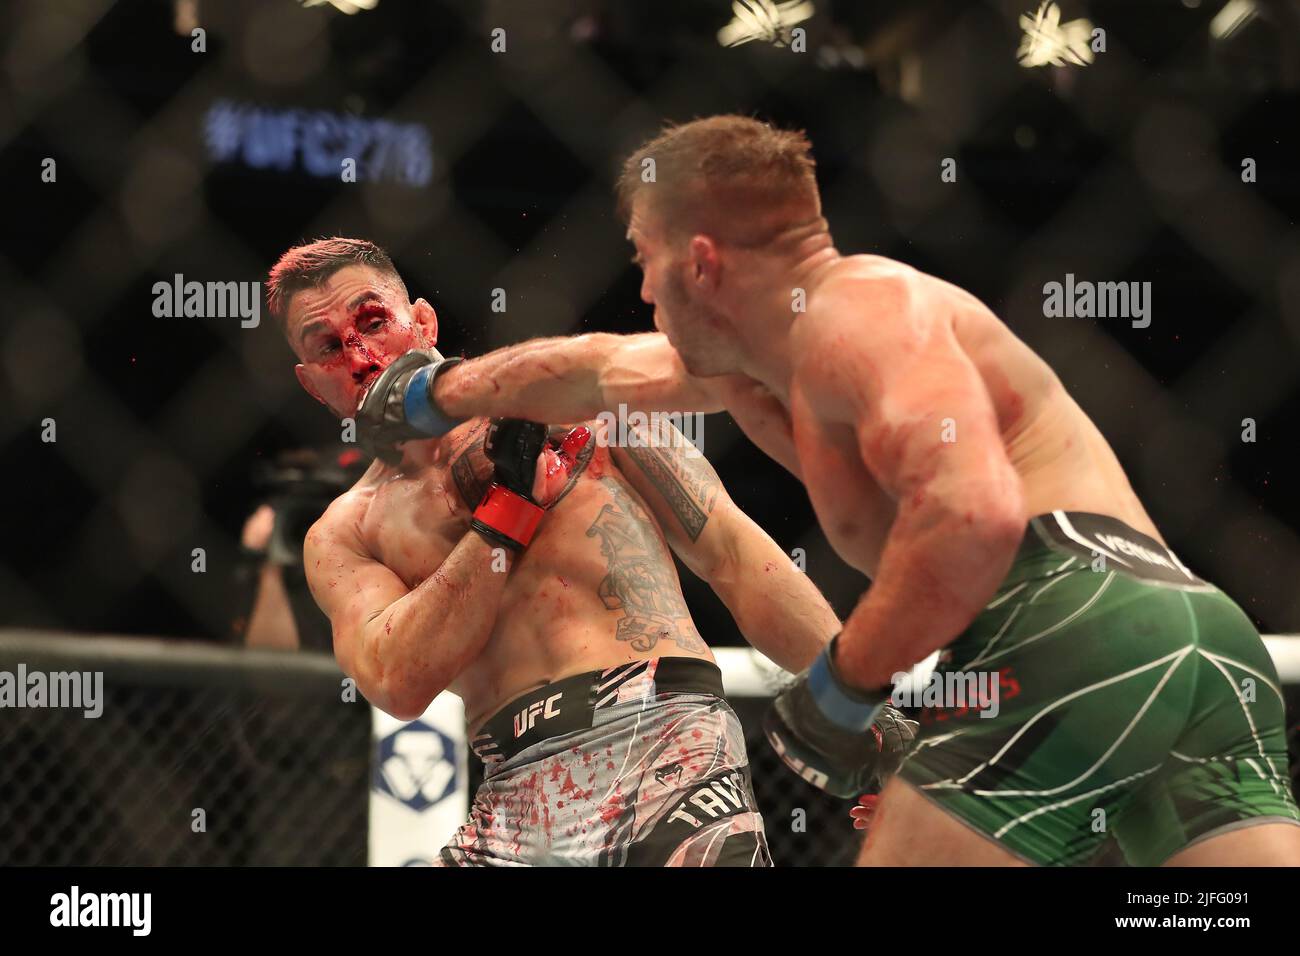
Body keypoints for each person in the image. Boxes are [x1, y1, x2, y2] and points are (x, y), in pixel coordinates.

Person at [387, 115, 1300, 866]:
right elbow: (594, 370)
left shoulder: (861, 314)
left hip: (1068, 618)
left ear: (701, 261)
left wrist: (844, 684)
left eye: (644, 259)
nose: (642, 290)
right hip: (1196, 634)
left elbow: (969, 515)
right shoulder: (764, 359)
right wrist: (439, 391)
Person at [265, 236, 911, 866]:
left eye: (372, 321)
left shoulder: (564, 401)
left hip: (663, 741)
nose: (358, 354)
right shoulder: (346, 531)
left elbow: (733, 556)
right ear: (309, 384)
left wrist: (863, 706)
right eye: (327, 347)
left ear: (423, 321)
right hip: (514, 793)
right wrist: (504, 519)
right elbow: (396, 680)